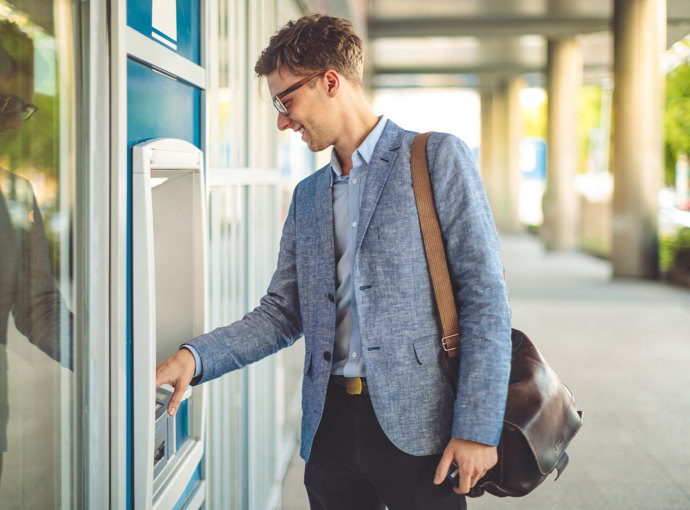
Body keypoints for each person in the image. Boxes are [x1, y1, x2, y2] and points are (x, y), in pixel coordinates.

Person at [156, 14, 511, 510]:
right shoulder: (307, 196)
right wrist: (195, 358)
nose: (282, 120)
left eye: (286, 101)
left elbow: (485, 298)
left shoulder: (434, 158)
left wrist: (477, 428)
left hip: (420, 428)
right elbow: (282, 313)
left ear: (329, 81)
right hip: (330, 433)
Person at [0, 19, 73, 481]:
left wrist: (108, 359)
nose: (12, 122)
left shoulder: (17, 195)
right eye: (6, 102)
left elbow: (39, 309)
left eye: (21, 107)